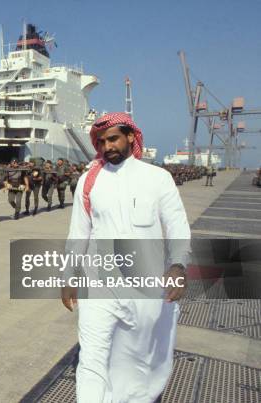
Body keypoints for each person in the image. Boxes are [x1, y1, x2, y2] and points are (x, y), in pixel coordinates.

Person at [62, 112, 191, 402]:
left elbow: (177, 226)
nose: (107, 146)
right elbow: (78, 233)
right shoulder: (88, 181)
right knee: (91, 357)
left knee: (139, 361)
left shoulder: (158, 179)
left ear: (131, 137)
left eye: (113, 139)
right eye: (102, 141)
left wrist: (178, 266)